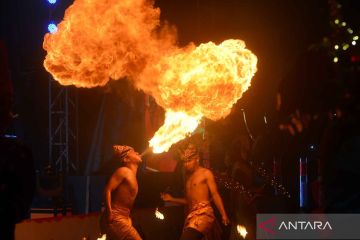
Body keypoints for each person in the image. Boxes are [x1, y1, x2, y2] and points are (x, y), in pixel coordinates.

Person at [161, 143, 229, 240]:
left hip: (204, 213)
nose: (186, 164)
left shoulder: (206, 173)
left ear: (197, 159)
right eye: (184, 161)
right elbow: (188, 201)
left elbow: (215, 194)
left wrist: (223, 214)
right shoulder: (187, 178)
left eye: (189, 161)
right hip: (192, 215)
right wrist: (172, 199)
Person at [100, 145, 142, 240]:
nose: (137, 153)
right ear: (126, 159)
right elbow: (108, 190)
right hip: (116, 217)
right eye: (133, 152)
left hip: (124, 218)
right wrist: (109, 212)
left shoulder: (132, 175)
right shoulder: (124, 171)